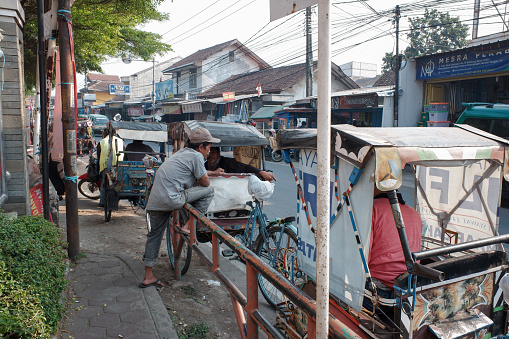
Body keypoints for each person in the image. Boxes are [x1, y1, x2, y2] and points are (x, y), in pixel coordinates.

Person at [140, 127, 220, 288]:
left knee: (154, 236)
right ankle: (189, 226)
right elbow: (205, 183)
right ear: (200, 147)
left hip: (156, 200)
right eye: (209, 148)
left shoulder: (181, 154)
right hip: (173, 199)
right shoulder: (197, 156)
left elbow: (191, 172)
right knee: (209, 191)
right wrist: (208, 176)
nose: (209, 153)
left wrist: (211, 172)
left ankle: (148, 276)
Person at [365, 186, 422, 315]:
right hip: (407, 292)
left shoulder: (371, 209)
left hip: (379, 295)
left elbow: (362, 259)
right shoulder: (414, 214)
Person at [206, 147, 276, 182]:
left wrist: (262, 172)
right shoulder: (204, 165)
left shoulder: (229, 162)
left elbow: (245, 168)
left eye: (213, 153)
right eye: (209, 153)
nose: (210, 155)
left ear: (218, 154)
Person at [97, 129, 125, 208]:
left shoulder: (102, 142)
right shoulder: (121, 141)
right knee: (118, 182)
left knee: (103, 183)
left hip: (105, 166)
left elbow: (99, 155)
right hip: (119, 165)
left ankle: (102, 201)